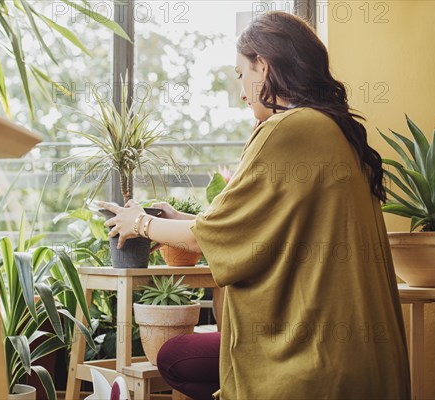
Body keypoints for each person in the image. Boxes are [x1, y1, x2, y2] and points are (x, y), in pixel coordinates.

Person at [97, 11, 410, 400]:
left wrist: (140, 223)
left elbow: (214, 236)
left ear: (263, 65)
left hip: (314, 359)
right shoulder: (336, 129)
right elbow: (256, 226)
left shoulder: (286, 128)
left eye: (241, 75)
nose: (242, 93)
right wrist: (184, 219)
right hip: (368, 360)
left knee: (175, 356)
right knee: (184, 357)